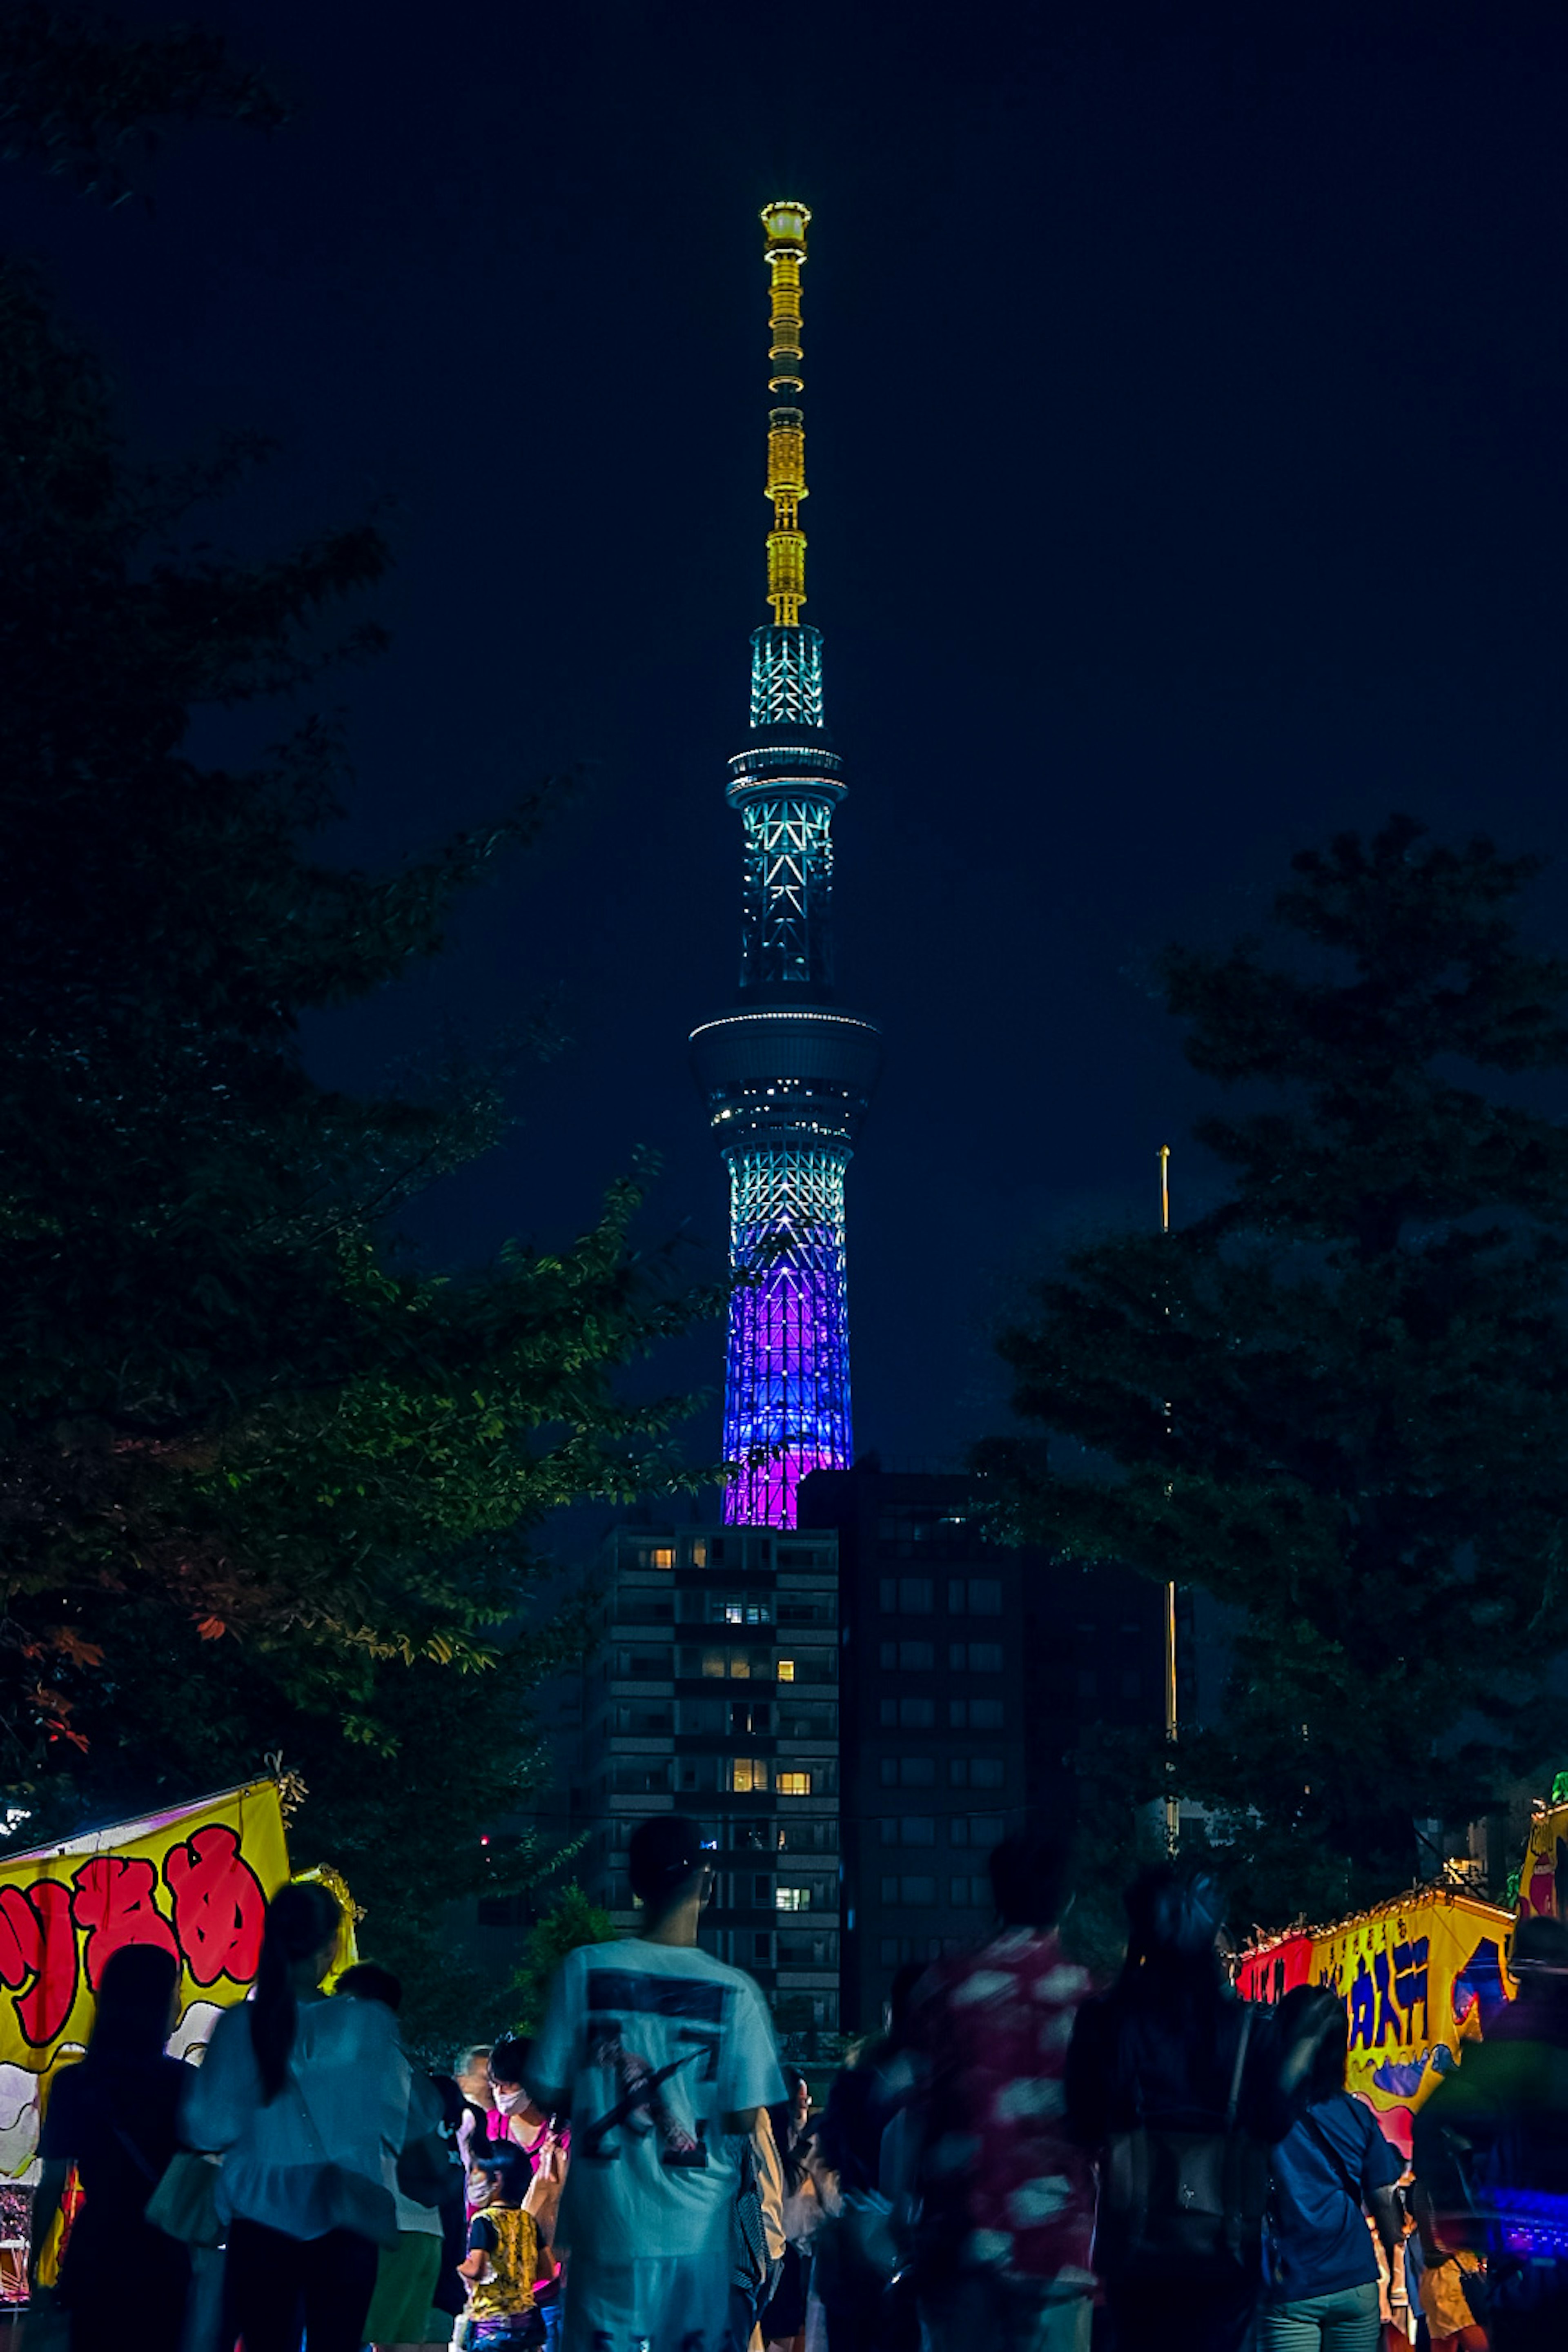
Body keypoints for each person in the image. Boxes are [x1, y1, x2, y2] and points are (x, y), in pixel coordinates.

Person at [524, 1813, 786, 2352]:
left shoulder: (584, 1969)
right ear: (708, 1883)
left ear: (635, 1884)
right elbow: (742, 2125)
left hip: (604, 2230)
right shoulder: (736, 1993)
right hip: (697, 2241)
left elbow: (546, 2088)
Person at [1066, 1862, 1333, 2352]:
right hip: (1224, 2248)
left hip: (1135, 2244)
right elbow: (1272, 2123)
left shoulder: (1106, 2020)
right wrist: (1299, 2055)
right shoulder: (1247, 2026)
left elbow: (1082, 2122)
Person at [183, 1879, 416, 2352]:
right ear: (332, 1946)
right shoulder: (367, 2022)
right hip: (344, 2221)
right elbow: (403, 2123)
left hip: (259, 2222)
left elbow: (205, 2127)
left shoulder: (238, 2025)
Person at [909, 1823, 1096, 2352]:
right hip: (1055, 2250)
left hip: (961, 2240)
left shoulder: (944, 1987)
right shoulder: (1084, 1997)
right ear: (1068, 1899)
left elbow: (916, 2114)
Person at [1414, 1911, 1568, 2350]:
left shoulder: (1515, 2043)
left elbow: (1431, 2125)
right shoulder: (1525, 2042)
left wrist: (1462, 2218)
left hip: (1528, 2263)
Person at [28, 1943, 191, 2352]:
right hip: (164, 2255)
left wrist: (36, 2272)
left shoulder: (74, 2083)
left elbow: (52, 2185)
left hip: (97, 2252)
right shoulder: (187, 2085)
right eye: (176, 1990)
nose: (181, 2002)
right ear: (157, 2001)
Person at [1257, 1982, 1403, 2351]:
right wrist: (1392, 2257)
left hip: (1289, 2284)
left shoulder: (1263, 2114)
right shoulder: (1357, 2115)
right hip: (1355, 2280)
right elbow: (1383, 2200)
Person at [334, 1963, 447, 2352]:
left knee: (366, 2339)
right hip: (425, 2228)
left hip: (386, 2225)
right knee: (403, 2346)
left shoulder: (362, 2065)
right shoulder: (404, 2063)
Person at [459, 2142, 549, 2347]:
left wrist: (453, 2262)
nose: (471, 2179)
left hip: (491, 2328)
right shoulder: (528, 2221)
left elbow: (477, 2270)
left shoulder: (484, 2221)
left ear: (496, 2179)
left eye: (476, 2172)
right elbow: (548, 2270)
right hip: (527, 2328)